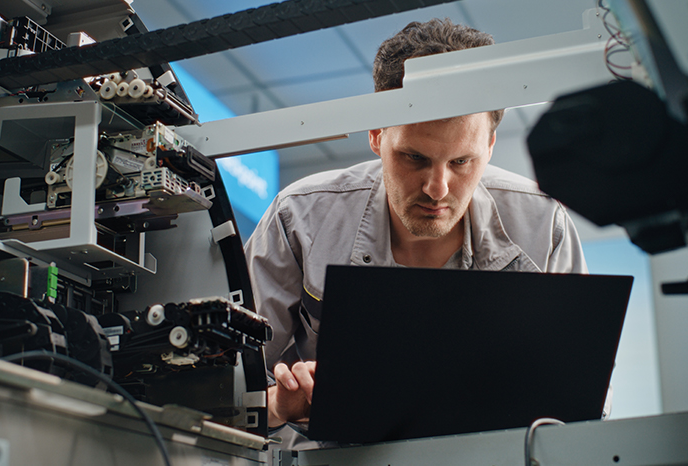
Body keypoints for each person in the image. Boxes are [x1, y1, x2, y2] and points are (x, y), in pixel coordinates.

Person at [243, 18, 587, 447]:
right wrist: (279, 405)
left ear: (491, 145)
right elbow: (226, 395)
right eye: (414, 157)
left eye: (462, 162)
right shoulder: (299, 219)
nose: (437, 188)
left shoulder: (543, 226)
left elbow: (582, 398)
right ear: (375, 133)